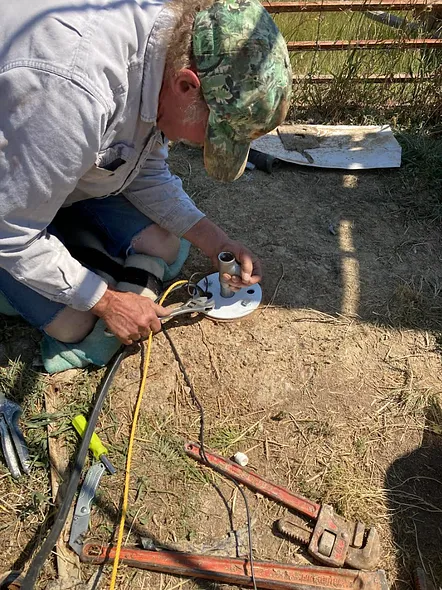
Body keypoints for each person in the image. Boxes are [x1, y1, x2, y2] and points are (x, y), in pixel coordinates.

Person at [0, 0, 292, 347]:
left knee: (165, 242)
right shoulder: (73, 94)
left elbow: (142, 167)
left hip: (40, 162)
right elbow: (11, 229)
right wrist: (108, 302)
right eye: (211, 135)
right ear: (187, 86)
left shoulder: (168, 48)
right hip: (10, 199)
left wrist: (218, 243)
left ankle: (59, 229)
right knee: (74, 322)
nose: (202, 146)